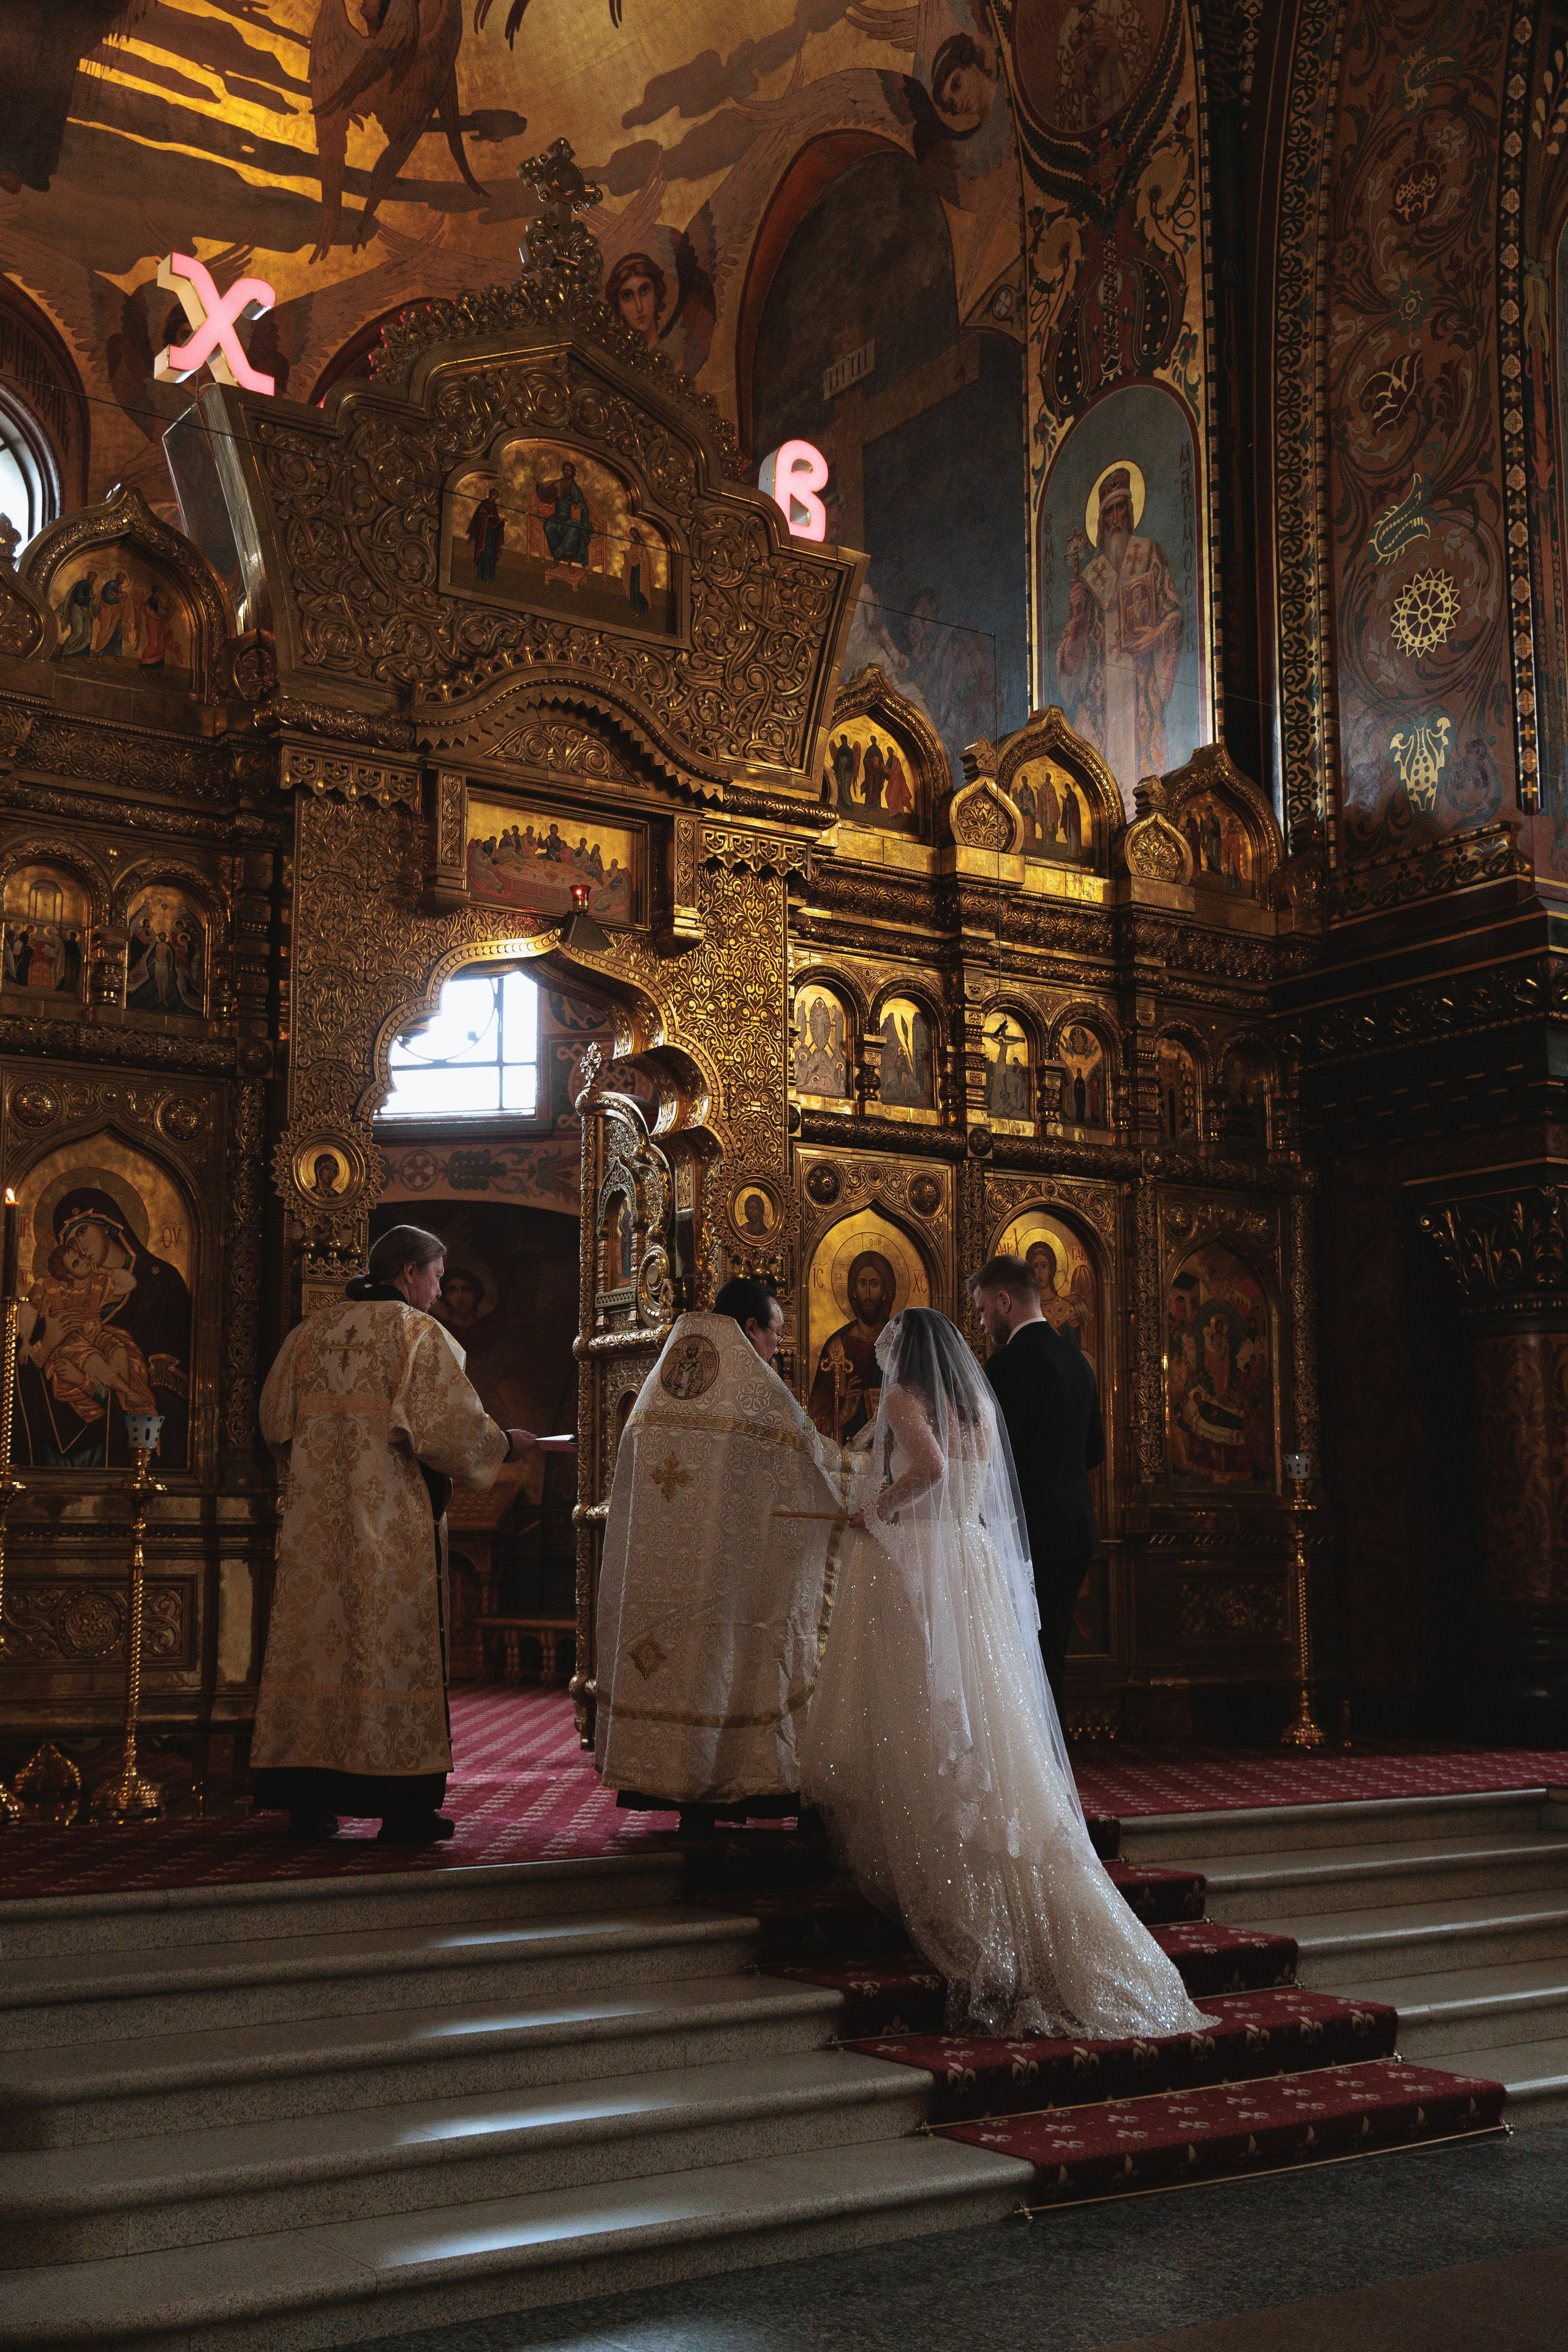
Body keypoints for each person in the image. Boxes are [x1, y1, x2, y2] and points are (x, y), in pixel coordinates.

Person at [801, 1305, 1201, 2040]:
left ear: (903, 1358)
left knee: (924, 1707)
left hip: (921, 1558)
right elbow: (973, 1482)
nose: (880, 1362)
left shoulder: (902, 1401)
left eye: (887, 1351)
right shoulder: (977, 1400)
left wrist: (876, 1509)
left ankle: (945, 1861)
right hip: (971, 1559)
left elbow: (929, 1468)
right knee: (984, 1711)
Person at [251, 1224, 536, 1844]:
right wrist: (506, 1444)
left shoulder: (311, 1334)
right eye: (436, 1276)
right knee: (388, 1652)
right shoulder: (416, 1336)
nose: (438, 1288)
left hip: (313, 1535)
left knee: (318, 1648)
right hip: (389, 1536)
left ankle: (308, 1804)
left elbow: (274, 1421)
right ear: (409, 1273)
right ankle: (402, 1807)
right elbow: (452, 1433)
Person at [595, 1276, 850, 1816]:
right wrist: (868, 1474)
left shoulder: (664, 1378)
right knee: (722, 1661)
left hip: (660, 1566)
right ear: (750, 1327)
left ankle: (661, 1779)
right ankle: (728, 1782)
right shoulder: (752, 1388)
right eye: (775, 1333)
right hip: (723, 1570)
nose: (778, 1347)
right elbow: (810, 1461)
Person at [970, 1251, 1105, 1720]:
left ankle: (1043, 1782)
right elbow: (1095, 1451)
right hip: (1074, 1531)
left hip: (1026, 1535)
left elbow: (990, 1460)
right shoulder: (1078, 1361)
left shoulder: (1007, 1367)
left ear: (1005, 1301)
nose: (983, 1323)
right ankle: (1057, 1777)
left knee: (1025, 1660)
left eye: (984, 1310)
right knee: (1051, 1659)